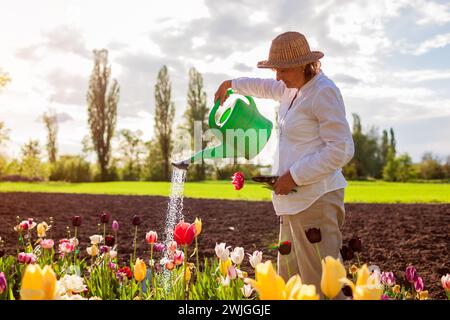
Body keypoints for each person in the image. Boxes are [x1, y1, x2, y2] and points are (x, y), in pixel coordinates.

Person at [214, 31, 355, 299]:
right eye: (275, 69)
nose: (277, 76)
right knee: (290, 286)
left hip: (317, 200)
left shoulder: (323, 92)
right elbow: (264, 87)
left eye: (281, 69)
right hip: (292, 203)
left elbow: (342, 148)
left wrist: (295, 176)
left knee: (321, 287)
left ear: (303, 64)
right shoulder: (291, 89)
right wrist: (232, 84)